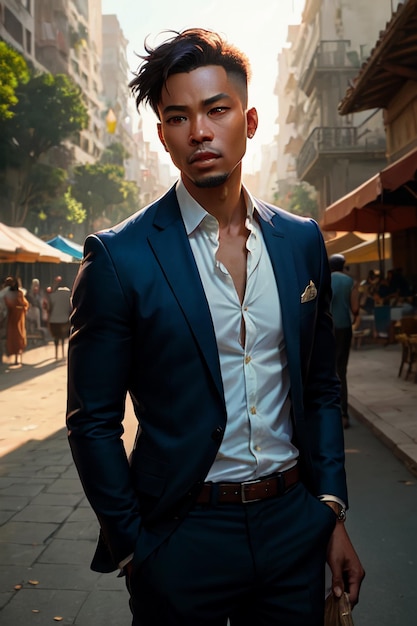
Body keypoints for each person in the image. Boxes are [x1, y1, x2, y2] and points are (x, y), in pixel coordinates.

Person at [67, 28, 364, 626]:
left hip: (291, 526)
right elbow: (92, 421)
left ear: (248, 122)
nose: (199, 131)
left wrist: (328, 509)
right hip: (182, 536)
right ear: (163, 137)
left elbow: (321, 386)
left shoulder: (301, 240)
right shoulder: (120, 259)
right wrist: (135, 548)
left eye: (216, 109)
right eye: (178, 117)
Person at [329, 254, 360, 430]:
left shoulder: (323, 280)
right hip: (343, 328)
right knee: (341, 370)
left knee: (328, 370)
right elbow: (355, 308)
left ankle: (329, 414)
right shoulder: (350, 282)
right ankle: (343, 415)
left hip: (326, 329)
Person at [3, 276, 29, 366]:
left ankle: (18, 358)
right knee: (12, 338)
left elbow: (25, 305)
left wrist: (18, 308)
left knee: (19, 337)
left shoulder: (19, 293)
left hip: (18, 318)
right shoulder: (6, 294)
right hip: (11, 318)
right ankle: (13, 358)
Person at [47, 276, 71, 360]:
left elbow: (49, 308)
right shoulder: (69, 294)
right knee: (63, 337)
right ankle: (63, 353)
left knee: (56, 337)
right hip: (65, 320)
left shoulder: (53, 295)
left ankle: (56, 354)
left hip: (54, 320)